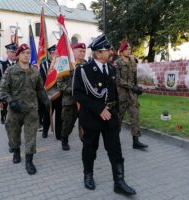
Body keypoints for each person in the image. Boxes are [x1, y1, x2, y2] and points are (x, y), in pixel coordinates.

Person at [73, 35, 136, 195]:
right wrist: (99, 109)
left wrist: (115, 113)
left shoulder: (111, 69)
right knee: (90, 149)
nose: (111, 52)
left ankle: (119, 182)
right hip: (92, 117)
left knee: (115, 150)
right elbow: (78, 94)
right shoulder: (83, 70)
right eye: (107, 50)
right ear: (98, 53)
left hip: (111, 117)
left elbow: (113, 93)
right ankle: (88, 175)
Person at [0, 43, 50, 175]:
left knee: (31, 136)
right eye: (23, 53)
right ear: (18, 55)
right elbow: (3, 90)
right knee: (13, 133)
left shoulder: (35, 71)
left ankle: (29, 160)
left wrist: (46, 102)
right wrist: (11, 102)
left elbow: (40, 89)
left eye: (28, 53)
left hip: (31, 109)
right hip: (15, 110)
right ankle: (16, 151)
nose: (26, 55)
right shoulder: (10, 71)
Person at [115, 41, 148, 150]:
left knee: (135, 117)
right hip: (122, 96)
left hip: (132, 95)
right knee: (118, 119)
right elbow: (118, 80)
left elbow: (134, 78)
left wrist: (137, 88)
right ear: (122, 51)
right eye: (126, 50)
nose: (129, 51)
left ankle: (136, 141)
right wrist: (132, 87)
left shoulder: (133, 62)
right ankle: (114, 140)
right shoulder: (117, 63)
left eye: (129, 50)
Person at [57, 43, 87, 150]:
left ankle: (85, 142)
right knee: (67, 124)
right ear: (73, 51)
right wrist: (73, 90)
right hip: (70, 101)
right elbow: (60, 83)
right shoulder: (66, 64)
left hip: (84, 102)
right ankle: (64, 139)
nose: (82, 53)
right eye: (80, 51)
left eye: (84, 51)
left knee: (85, 124)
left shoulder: (87, 65)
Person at [40, 45, 63, 140]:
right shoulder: (44, 64)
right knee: (47, 114)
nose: (55, 54)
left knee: (59, 115)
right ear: (50, 54)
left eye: (56, 53)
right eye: (53, 53)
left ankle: (59, 134)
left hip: (60, 93)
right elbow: (42, 79)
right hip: (49, 93)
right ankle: (45, 131)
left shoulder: (62, 64)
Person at [0, 43, 17, 125]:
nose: (14, 53)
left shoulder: (20, 65)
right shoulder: (1, 65)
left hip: (17, 96)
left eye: (15, 52)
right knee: (6, 114)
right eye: (12, 52)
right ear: (7, 53)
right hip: (6, 95)